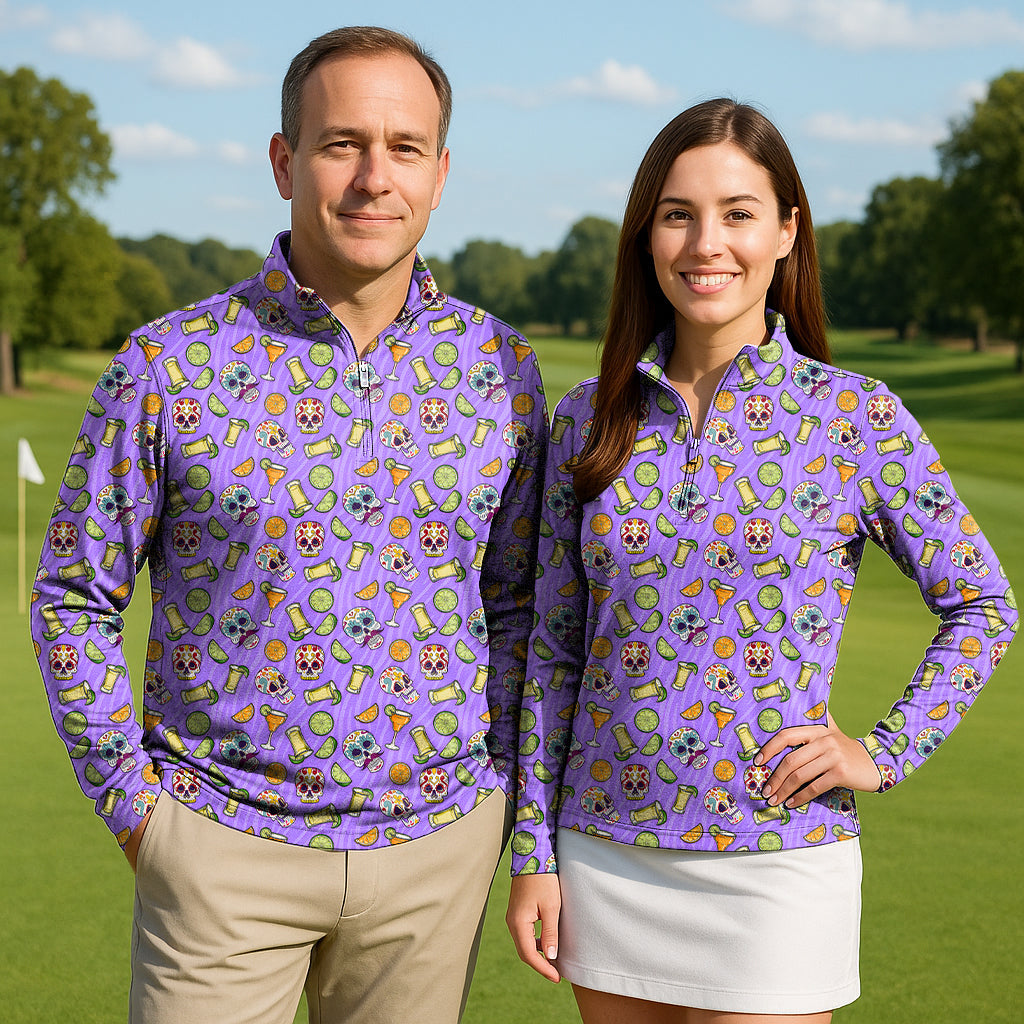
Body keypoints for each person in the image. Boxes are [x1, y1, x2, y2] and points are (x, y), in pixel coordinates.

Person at [32, 26, 547, 1024]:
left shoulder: (502, 370)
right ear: (284, 161)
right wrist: (142, 816)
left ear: (440, 175)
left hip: (432, 853)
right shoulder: (168, 365)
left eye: (403, 149)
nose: (371, 178)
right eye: (340, 142)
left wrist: (493, 804)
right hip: (218, 848)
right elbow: (73, 595)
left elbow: (523, 605)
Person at [505, 98, 1015, 1023]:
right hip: (605, 853)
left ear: (786, 232)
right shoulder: (584, 419)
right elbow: (553, 654)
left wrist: (883, 752)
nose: (708, 243)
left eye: (739, 213)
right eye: (678, 213)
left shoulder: (854, 418)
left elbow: (982, 604)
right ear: (646, 236)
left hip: (778, 859)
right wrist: (536, 856)